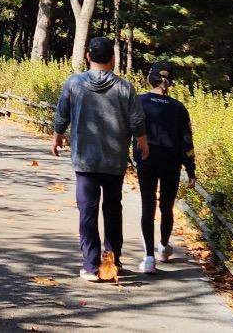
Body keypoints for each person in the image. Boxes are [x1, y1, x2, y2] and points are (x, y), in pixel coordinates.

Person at [52, 36, 149, 282]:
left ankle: (90, 265)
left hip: (85, 159)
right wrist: (142, 142)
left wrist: (57, 136)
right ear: (113, 59)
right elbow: (137, 120)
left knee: (88, 210)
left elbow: (62, 114)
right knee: (113, 209)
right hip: (114, 160)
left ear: (88, 57)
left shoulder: (74, 83)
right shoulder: (124, 87)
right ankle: (112, 260)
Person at [135, 61, 196, 274]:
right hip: (171, 163)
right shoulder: (179, 108)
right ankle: (163, 247)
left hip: (146, 160)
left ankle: (149, 258)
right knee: (166, 206)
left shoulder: (139, 101)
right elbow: (187, 141)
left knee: (147, 206)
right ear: (170, 82)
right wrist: (191, 170)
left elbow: (130, 129)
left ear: (150, 78)